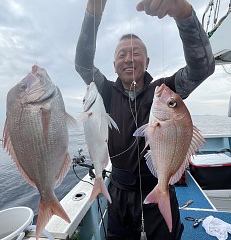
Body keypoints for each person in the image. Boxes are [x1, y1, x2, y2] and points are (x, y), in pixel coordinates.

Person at [75, 0, 215, 239]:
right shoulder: (104, 93)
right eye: (122, 55)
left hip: (158, 188)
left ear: (147, 62)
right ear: (115, 65)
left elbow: (202, 68)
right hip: (118, 197)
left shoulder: (164, 92)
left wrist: (184, 13)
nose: (129, 58)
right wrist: (93, 12)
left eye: (136, 53)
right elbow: (83, 64)